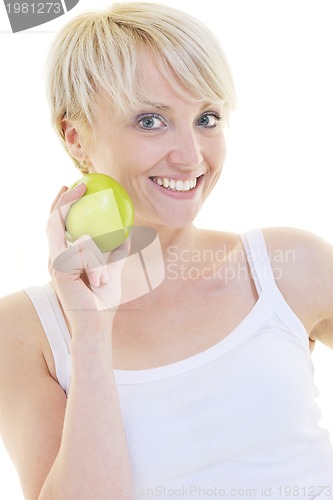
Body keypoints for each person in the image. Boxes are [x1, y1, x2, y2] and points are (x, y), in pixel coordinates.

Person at [0, 2, 333, 499]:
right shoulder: (25, 330)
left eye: (207, 117)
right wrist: (91, 329)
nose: (191, 156)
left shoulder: (287, 266)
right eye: (151, 120)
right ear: (76, 138)